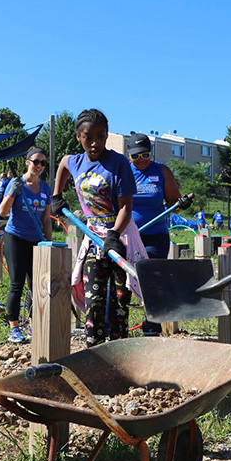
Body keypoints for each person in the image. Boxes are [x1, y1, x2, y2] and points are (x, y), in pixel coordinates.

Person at [55, 110, 141, 347]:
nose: (95, 143)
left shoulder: (119, 164)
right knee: (94, 299)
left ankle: (119, 350)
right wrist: (56, 195)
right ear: (78, 137)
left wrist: (114, 234)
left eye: (101, 136)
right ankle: (93, 350)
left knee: (120, 300)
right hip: (93, 238)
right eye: (88, 137)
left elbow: (126, 208)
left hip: (120, 237)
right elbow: (63, 163)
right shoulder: (76, 161)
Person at [126, 132, 183, 336]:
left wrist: (179, 204)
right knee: (124, 280)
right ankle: (118, 326)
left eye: (145, 155)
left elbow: (173, 203)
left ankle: (151, 328)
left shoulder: (161, 171)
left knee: (152, 279)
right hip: (130, 235)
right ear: (128, 154)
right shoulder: (124, 171)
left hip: (156, 234)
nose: (141, 160)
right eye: (136, 156)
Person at [0, 147, 52, 343]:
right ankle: (14, 327)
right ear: (27, 162)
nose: (39, 166)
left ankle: (32, 324)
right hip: (16, 238)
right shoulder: (16, 183)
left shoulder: (46, 188)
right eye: (36, 161)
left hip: (36, 240)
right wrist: (12, 192)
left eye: (42, 163)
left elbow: (46, 219)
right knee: (16, 284)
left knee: (36, 286)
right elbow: (3, 212)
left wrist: (47, 241)